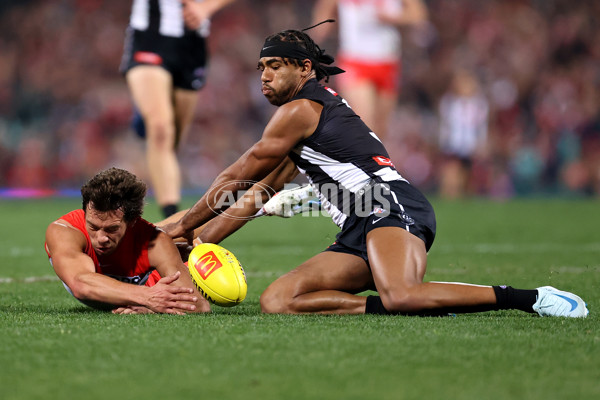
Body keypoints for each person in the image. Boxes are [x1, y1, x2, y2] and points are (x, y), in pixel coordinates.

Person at [162, 27, 588, 318]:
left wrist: (180, 224)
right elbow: (256, 194)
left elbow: (238, 175)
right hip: (359, 224)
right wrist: (193, 240)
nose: (266, 76)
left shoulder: (300, 110)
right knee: (278, 300)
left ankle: (530, 299)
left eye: (277, 65)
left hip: (390, 207)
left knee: (402, 293)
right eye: (262, 68)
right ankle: (428, 303)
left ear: (305, 69)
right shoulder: (306, 121)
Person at [120, 0, 236, 218]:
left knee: (174, 137)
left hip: (191, 45)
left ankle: (146, 112)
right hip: (149, 37)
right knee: (161, 129)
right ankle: (172, 218)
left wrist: (206, 7)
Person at [45, 167, 211, 315]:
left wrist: (149, 307)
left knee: (200, 244)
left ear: (132, 222)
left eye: (112, 229)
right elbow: (81, 284)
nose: (101, 238)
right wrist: (146, 297)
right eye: (93, 227)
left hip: (156, 286)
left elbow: (199, 305)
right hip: (150, 293)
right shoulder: (63, 231)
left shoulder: (156, 243)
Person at [311, 0, 428, 141]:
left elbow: (418, 14)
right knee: (365, 124)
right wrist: (316, 36)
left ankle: (366, 158)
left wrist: (394, 18)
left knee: (380, 129)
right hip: (354, 61)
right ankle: (355, 159)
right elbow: (325, 9)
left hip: (388, 62)